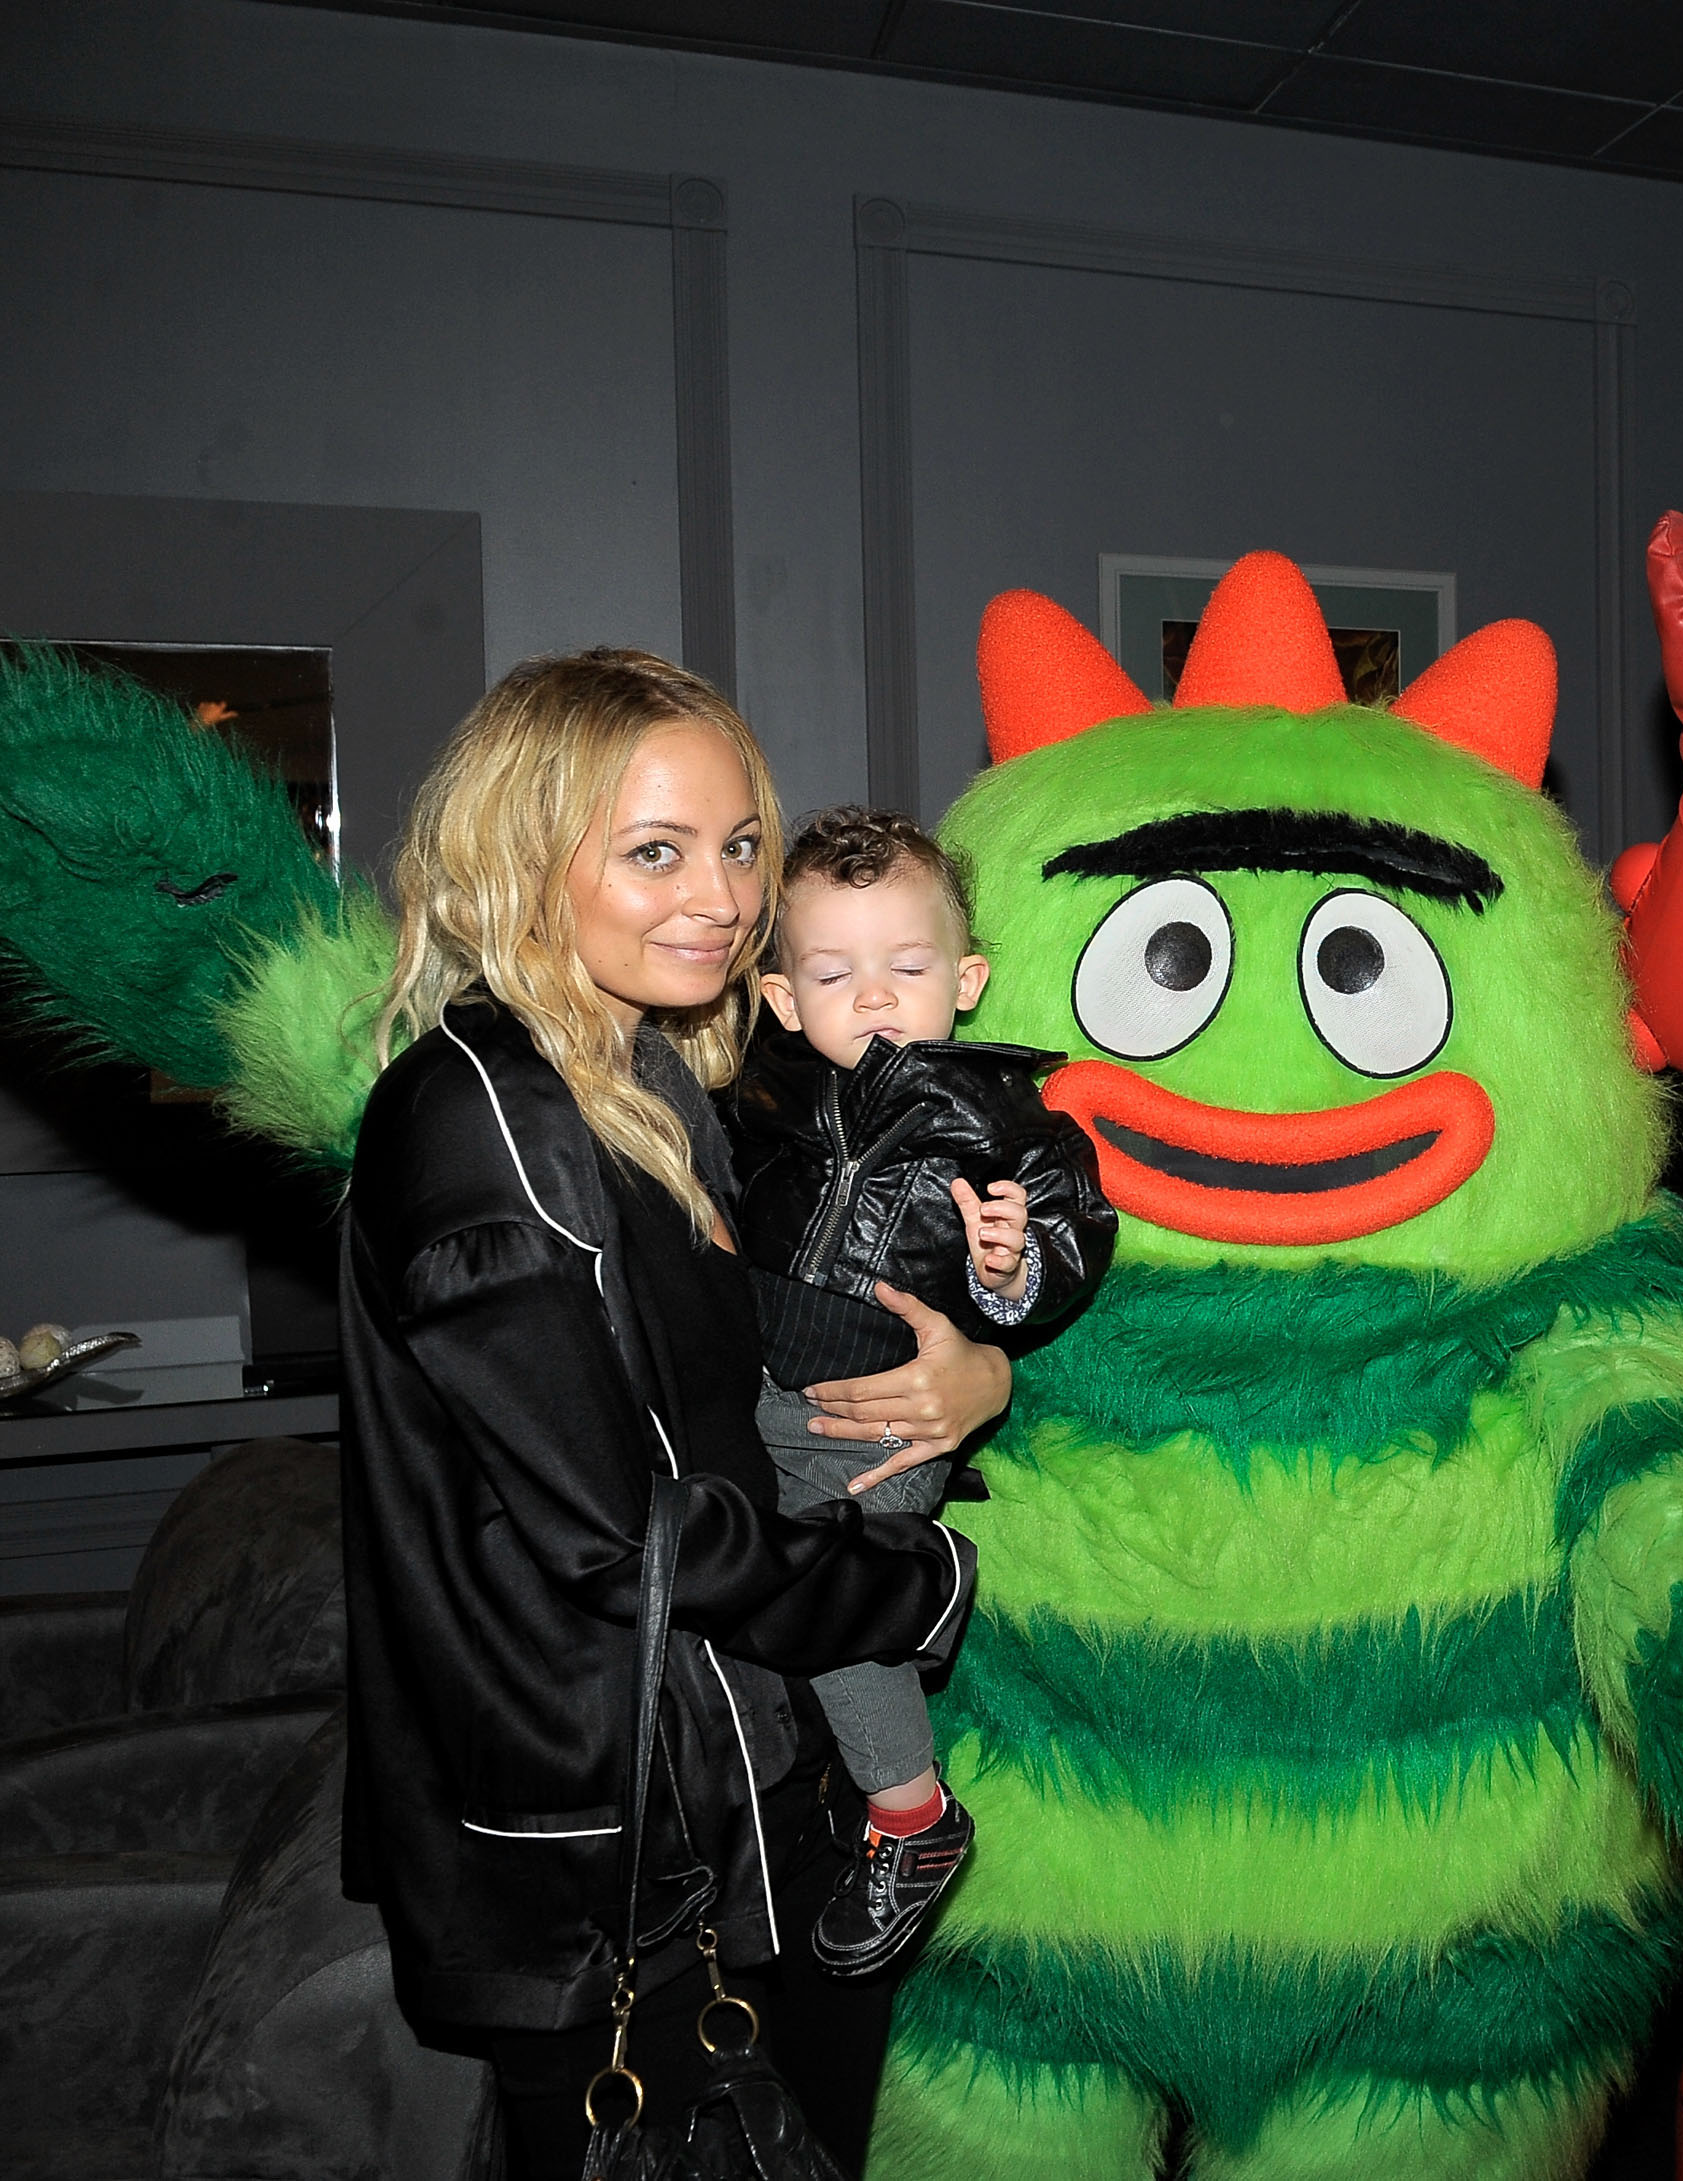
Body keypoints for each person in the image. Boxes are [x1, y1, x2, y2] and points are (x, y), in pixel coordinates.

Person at [340, 649, 1015, 2178]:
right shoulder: (482, 1122)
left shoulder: (644, 1075)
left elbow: (749, 1373)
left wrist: (980, 1376)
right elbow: (622, 1534)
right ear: (524, 857)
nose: (720, 897)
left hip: (744, 1783)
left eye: (738, 845)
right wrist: (921, 1584)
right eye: (656, 851)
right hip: (609, 1856)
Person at [723, 804, 1115, 1976]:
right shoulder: (761, 1097)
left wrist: (1012, 1263)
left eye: (907, 967)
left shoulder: (1002, 1121)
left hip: (890, 1412)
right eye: (833, 974)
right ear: (782, 998)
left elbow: (1071, 1240)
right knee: (755, 1589)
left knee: (835, 1610)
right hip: (759, 1396)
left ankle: (913, 1815)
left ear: (967, 979)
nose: (874, 999)